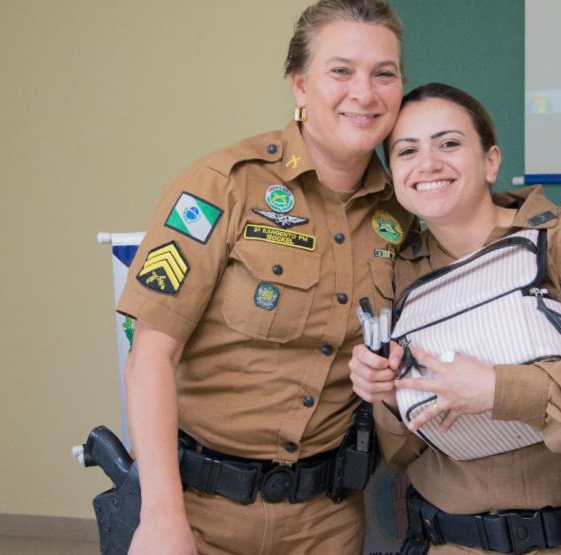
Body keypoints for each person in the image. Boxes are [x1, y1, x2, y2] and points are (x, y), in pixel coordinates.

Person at [116, 2, 410, 553]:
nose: (364, 93)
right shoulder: (223, 185)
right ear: (300, 84)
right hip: (202, 513)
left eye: (384, 74)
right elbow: (149, 356)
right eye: (341, 70)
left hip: (328, 521)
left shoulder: (404, 213)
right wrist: (161, 517)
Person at [349, 83, 561, 554]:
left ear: (491, 161)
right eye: (407, 151)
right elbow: (403, 451)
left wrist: (498, 390)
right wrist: (387, 393)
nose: (428, 164)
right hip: (453, 543)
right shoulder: (396, 272)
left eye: (449, 143)